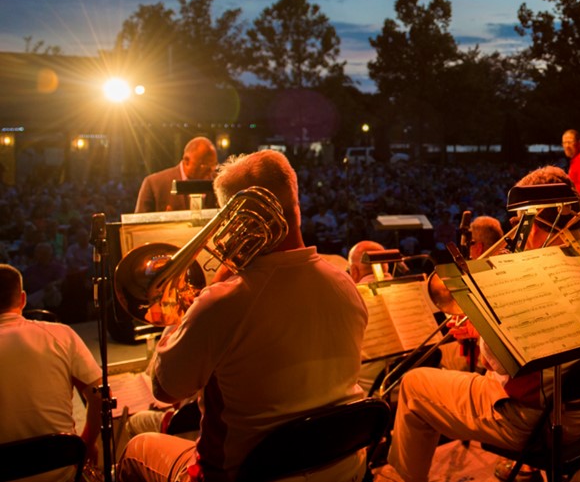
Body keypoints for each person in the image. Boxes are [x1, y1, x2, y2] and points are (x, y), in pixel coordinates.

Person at [118, 150, 368, 482]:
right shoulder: (345, 283)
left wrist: (183, 308)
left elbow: (165, 390)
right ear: (297, 206)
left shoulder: (220, 303)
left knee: (138, 447)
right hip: (343, 468)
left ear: (230, 220)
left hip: (243, 475)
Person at [386, 166, 580, 482]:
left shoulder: (534, 270)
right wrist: (480, 326)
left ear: (531, 217)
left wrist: (483, 331)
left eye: (519, 221)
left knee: (414, 385)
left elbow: (498, 362)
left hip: (535, 418)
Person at [0, 263, 101, 480]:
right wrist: (87, 443)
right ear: (23, 299)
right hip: (64, 472)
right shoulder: (60, 335)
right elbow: (100, 394)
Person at [134, 137, 219, 213]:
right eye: (204, 165)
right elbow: (138, 226)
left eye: (213, 164)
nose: (211, 170)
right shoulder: (154, 184)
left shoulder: (219, 184)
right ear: (186, 161)